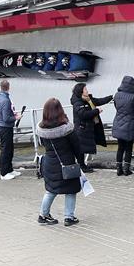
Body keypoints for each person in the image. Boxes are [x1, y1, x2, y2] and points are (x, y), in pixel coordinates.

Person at [36, 98, 82, 226]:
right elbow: (76, 147)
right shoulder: (67, 129)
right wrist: (81, 161)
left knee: (51, 190)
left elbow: (43, 145)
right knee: (71, 190)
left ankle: (43, 215)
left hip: (49, 163)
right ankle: (69, 217)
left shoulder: (41, 130)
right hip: (66, 164)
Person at [71, 83, 113, 173]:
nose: (87, 91)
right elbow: (83, 114)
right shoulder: (78, 102)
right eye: (85, 89)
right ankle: (82, 166)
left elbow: (98, 101)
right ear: (81, 91)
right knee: (81, 149)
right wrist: (96, 111)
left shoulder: (88, 100)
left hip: (87, 127)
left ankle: (82, 165)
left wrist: (111, 97)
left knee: (83, 148)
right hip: (81, 128)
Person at [0, 80, 21, 180]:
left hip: (2, 127)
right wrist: (16, 118)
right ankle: (4, 172)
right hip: (5, 127)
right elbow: (6, 118)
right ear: (8, 87)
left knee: (9, 149)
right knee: (6, 150)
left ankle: (9, 169)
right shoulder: (6, 100)